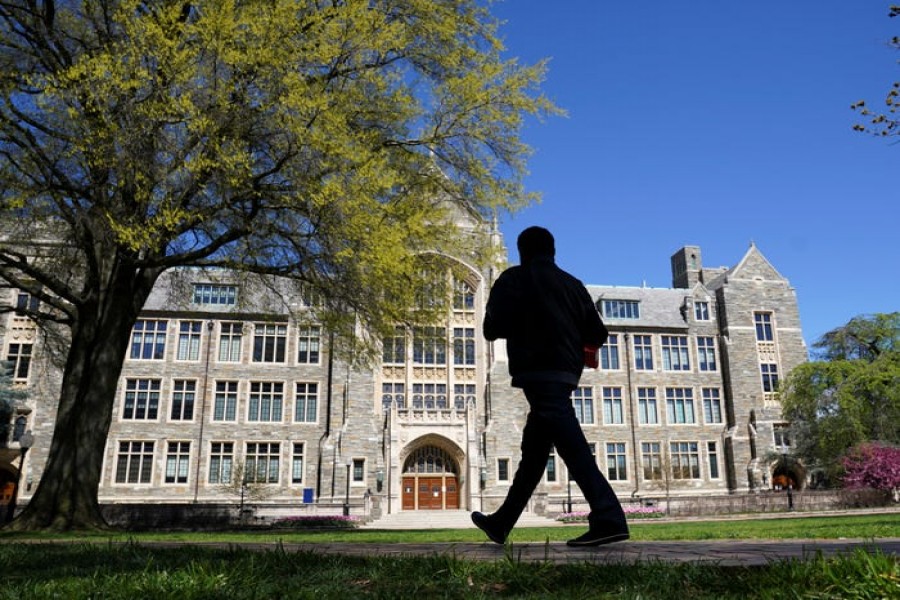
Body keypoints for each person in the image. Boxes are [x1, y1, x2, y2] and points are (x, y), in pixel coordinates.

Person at [471, 226, 629, 547]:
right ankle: (502, 522)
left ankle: (609, 517)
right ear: (553, 251)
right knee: (535, 452)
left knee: (572, 445)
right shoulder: (573, 285)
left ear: (521, 251)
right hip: (567, 373)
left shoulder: (513, 279)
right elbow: (598, 334)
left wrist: (524, 320)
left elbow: (491, 328)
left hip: (536, 371)